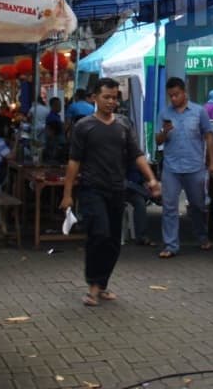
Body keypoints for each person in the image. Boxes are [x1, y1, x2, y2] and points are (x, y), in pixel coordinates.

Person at [60, 77, 162, 307]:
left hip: (118, 189)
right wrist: (67, 194)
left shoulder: (124, 124)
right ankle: (93, 286)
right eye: (106, 97)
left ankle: (103, 283)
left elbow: (137, 155)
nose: (110, 102)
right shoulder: (83, 126)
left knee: (114, 240)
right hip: (91, 189)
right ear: (94, 97)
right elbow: (74, 162)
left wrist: (152, 179)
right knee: (99, 233)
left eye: (114, 98)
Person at [155, 77, 213, 258]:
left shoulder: (199, 112)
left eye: (176, 95)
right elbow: (158, 141)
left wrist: (212, 161)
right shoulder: (164, 113)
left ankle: (201, 236)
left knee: (198, 205)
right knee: (169, 207)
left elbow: (209, 136)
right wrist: (165, 132)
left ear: (184, 93)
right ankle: (170, 245)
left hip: (194, 166)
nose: (173, 99)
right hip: (171, 167)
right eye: (170, 96)